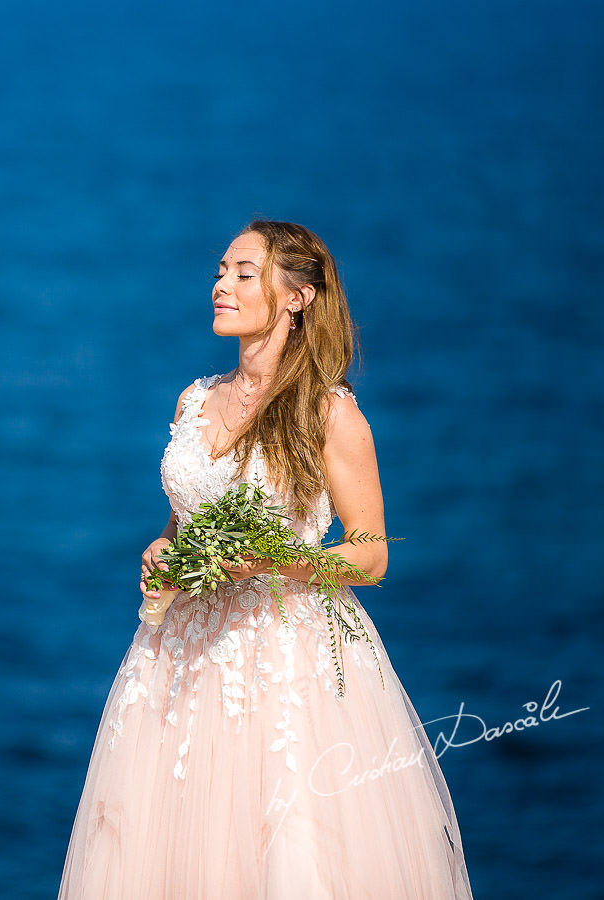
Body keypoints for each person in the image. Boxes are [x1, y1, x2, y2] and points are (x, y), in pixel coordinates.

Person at [57, 221, 471, 898]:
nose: (221, 285)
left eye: (243, 273)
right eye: (220, 271)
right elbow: (181, 519)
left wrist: (270, 565)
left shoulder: (330, 415)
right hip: (178, 664)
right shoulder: (194, 401)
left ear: (298, 296)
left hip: (287, 671)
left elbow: (370, 556)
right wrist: (164, 546)